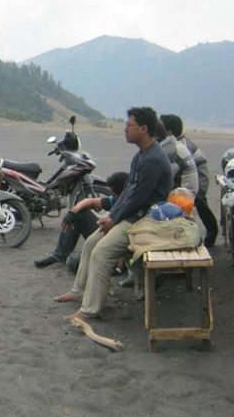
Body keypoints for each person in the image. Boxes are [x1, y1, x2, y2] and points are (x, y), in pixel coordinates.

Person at [54, 107, 172, 320]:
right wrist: (110, 217)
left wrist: (114, 219)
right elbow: (127, 192)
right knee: (90, 243)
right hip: (131, 215)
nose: (125, 129)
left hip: (145, 220)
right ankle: (78, 292)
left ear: (143, 129)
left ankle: (90, 310)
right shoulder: (141, 156)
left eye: (129, 125)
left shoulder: (153, 159)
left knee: (102, 253)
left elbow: (140, 199)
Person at [34, 171, 128, 268]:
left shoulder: (131, 205)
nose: (112, 195)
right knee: (78, 213)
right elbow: (89, 201)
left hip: (116, 247)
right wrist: (71, 213)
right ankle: (59, 255)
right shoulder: (116, 199)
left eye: (114, 194)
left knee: (74, 262)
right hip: (105, 236)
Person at [160, 113, 218, 247]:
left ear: (168, 131)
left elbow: (173, 170)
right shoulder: (178, 142)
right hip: (189, 178)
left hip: (199, 178)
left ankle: (210, 233)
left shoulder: (181, 145)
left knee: (199, 203)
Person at [154, 118, 198, 195]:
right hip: (186, 193)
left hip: (183, 199)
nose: (126, 130)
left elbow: (160, 179)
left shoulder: (171, 150)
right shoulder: (171, 145)